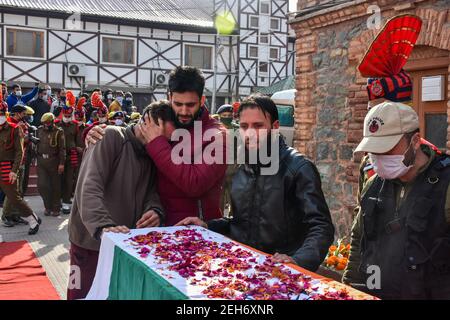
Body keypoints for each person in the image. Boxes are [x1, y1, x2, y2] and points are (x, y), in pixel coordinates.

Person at [176, 94, 335, 272]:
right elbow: (241, 223)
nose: (250, 133)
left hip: (285, 273)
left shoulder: (298, 168)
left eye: (258, 126)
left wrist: (298, 260)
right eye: (244, 126)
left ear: (275, 127)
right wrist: (207, 225)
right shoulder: (240, 167)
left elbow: (321, 226)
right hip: (246, 268)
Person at [87, 66, 227, 226]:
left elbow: (195, 184)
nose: (183, 111)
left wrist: (157, 143)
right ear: (169, 98)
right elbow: (136, 135)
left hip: (197, 231)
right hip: (158, 228)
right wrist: (95, 132)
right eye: (178, 104)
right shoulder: (166, 122)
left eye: (190, 105)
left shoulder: (217, 135)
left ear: (202, 101)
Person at [344, 101, 450, 300]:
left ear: (416, 141)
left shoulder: (445, 184)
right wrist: (349, 290)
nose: (380, 157)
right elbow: (359, 240)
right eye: (374, 150)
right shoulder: (373, 183)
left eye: (388, 148)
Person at [67, 101, 168, 300]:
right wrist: (103, 226)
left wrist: (154, 210)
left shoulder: (150, 154)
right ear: (146, 122)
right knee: (80, 294)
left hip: (123, 244)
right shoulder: (111, 136)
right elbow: (89, 186)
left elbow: (151, 192)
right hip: (89, 244)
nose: (163, 142)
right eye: (162, 135)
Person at [0, 101, 41, 234]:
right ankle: (9, 216)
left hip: (7, 167)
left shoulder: (14, 128)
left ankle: (33, 220)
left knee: (14, 197)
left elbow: (19, 152)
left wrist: (14, 170)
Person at [55, 91, 81, 214]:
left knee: (69, 179)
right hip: (58, 156)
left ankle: (66, 202)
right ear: (62, 114)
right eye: (65, 115)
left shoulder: (75, 126)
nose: (66, 118)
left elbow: (78, 140)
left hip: (71, 156)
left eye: (68, 116)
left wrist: (77, 148)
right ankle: (57, 201)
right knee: (57, 179)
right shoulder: (56, 125)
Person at [36, 113, 65, 217]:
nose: (45, 125)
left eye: (47, 123)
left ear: (52, 122)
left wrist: (62, 163)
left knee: (55, 186)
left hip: (54, 160)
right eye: (44, 123)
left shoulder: (58, 131)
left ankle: (56, 207)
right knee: (42, 185)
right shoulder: (39, 130)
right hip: (41, 161)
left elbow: (62, 149)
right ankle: (47, 206)